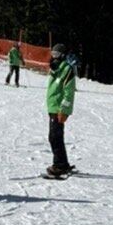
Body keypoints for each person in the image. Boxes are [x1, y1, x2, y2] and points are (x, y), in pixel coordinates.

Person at [44, 43, 76, 178]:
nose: (54, 57)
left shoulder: (67, 69)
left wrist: (63, 110)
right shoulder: (55, 68)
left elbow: (69, 92)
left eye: (57, 55)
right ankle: (63, 163)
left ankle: (59, 165)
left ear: (62, 55)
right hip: (52, 106)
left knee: (54, 137)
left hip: (59, 108)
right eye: (53, 54)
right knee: (56, 136)